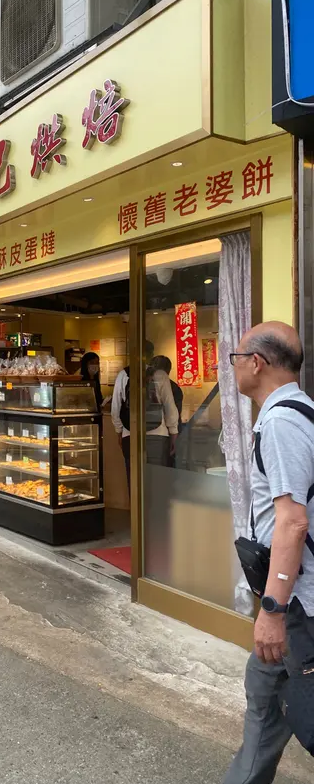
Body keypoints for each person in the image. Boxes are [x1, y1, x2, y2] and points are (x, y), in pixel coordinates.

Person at [224, 321, 314, 784]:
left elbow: (292, 522)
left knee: (286, 705)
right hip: (295, 599)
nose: (234, 368)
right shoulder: (300, 411)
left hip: (298, 605)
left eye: (236, 359)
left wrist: (273, 609)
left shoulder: (281, 422)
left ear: (256, 363)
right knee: (263, 697)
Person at [111, 340, 179, 487]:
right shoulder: (160, 375)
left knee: (134, 480)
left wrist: (119, 431)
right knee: (157, 479)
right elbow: (170, 407)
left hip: (130, 432)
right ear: (150, 354)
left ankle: (136, 503)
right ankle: (156, 503)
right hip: (158, 433)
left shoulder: (123, 375)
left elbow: (115, 408)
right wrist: (174, 433)